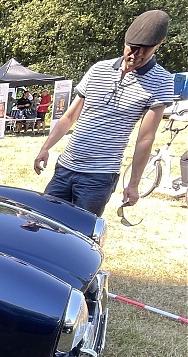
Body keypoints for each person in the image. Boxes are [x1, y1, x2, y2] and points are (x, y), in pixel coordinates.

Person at [33, 10, 174, 217]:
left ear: (159, 43)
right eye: (132, 48)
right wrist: (45, 148)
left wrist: (133, 184)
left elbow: (145, 138)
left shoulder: (161, 80)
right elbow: (70, 116)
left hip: (99, 175)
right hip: (65, 166)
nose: (136, 55)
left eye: (145, 50)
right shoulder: (99, 69)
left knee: (82, 235)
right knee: (45, 223)